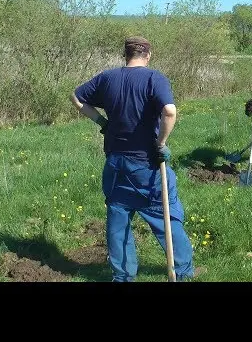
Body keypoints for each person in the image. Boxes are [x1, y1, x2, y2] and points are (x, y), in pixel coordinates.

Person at [69, 36, 200, 282]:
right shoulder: (154, 79)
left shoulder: (107, 78)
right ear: (148, 55)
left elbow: (76, 97)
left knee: (118, 222)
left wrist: (102, 122)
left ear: (125, 55)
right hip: (147, 166)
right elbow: (169, 111)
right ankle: (182, 272)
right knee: (165, 218)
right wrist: (161, 143)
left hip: (116, 164)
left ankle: (123, 276)